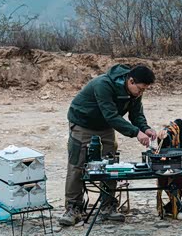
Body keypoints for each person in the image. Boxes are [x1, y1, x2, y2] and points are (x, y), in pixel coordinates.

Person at [59, 64, 157, 226]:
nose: (141, 93)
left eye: (144, 90)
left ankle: (107, 206)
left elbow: (136, 114)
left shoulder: (135, 92)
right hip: (83, 123)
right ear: (131, 81)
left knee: (110, 164)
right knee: (77, 164)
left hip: (105, 126)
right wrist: (136, 133)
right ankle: (73, 208)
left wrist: (145, 128)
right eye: (140, 89)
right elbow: (111, 115)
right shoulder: (103, 84)